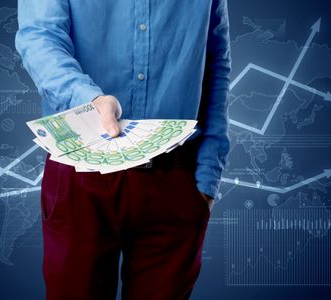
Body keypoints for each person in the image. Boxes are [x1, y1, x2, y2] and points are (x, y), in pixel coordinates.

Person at [16, 0, 231, 299]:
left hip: (175, 179)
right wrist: (88, 100)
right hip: (80, 171)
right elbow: (39, 37)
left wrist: (208, 177)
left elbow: (215, 58)